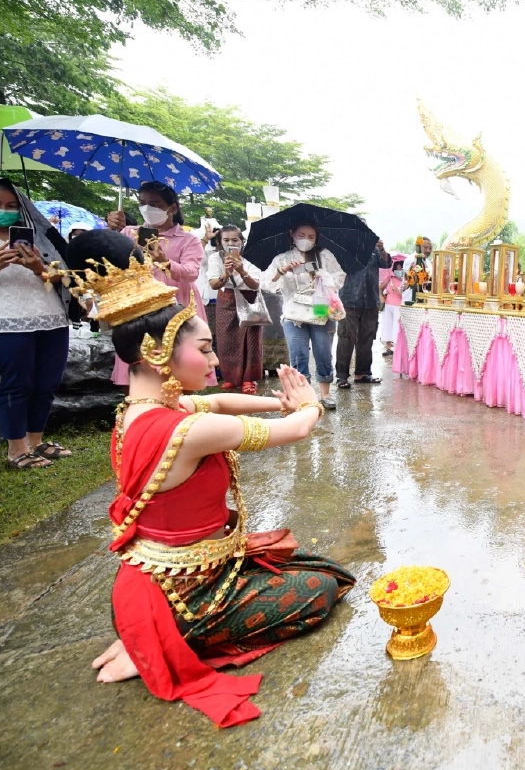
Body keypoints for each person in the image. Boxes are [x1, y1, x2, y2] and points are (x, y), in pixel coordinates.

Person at [53, 229, 352, 727]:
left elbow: (219, 400)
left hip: (164, 577)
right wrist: (307, 407)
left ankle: (145, 629)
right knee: (318, 591)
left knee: (315, 564)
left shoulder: (143, 410)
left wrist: (278, 399)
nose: (216, 361)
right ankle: (161, 639)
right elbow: (295, 430)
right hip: (184, 592)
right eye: (206, 349)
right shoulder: (186, 430)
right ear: (156, 354)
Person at [0, 177, 73, 469]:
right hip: (5, 321)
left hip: (51, 317)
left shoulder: (38, 236)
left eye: (12, 205)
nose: (4, 210)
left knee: (47, 382)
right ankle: (16, 451)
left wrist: (40, 267)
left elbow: (66, 279)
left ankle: (36, 442)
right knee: (16, 383)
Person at [106, 182, 209, 386]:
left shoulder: (189, 240)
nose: (147, 209)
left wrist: (166, 263)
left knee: (177, 363)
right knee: (137, 360)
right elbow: (111, 263)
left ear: (173, 207)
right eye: (143, 203)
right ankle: (138, 412)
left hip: (175, 305)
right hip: (139, 306)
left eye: (155, 204)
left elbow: (191, 273)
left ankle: (179, 413)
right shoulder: (128, 233)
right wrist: (111, 230)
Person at [261, 215, 344, 409]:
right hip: (293, 311)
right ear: (292, 235)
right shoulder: (282, 258)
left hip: (320, 306)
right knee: (298, 355)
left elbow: (340, 278)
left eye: (311, 236)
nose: (306, 239)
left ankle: (325, 394)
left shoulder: (325, 256)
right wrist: (282, 271)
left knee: (323, 352)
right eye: (301, 235)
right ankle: (303, 396)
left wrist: (322, 277)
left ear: (317, 238)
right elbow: (268, 285)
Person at [207, 225, 264, 393]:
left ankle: (248, 379)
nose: (230, 243)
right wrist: (226, 273)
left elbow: (255, 285)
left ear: (241, 241)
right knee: (226, 340)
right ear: (219, 242)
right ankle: (231, 377)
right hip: (226, 300)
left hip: (248, 298)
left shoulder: (251, 258)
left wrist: (241, 270)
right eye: (226, 240)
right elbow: (213, 284)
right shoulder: (215, 258)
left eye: (235, 240)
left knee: (250, 341)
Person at [336, 240, 389, 388]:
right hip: (349, 300)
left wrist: (382, 248)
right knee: (346, 337)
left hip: (371, 301)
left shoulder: (374, 249)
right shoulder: (343, 248)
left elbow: (386, 264)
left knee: (367, 338)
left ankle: (363, 373)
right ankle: (342, 376)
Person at [378, 257, 405, 357]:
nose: (399, 271)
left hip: (399, 306)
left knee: (396, 327)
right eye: (397, 269)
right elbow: (380, 288)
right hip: (388, 305)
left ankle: (397, 348)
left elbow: (406, 296)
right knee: (387, 325)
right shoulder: (389, 279)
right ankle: (388, 348)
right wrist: (381, 296)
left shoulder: (406, 282)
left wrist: (398, 291)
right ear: (394, 270)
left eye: (401, 269)